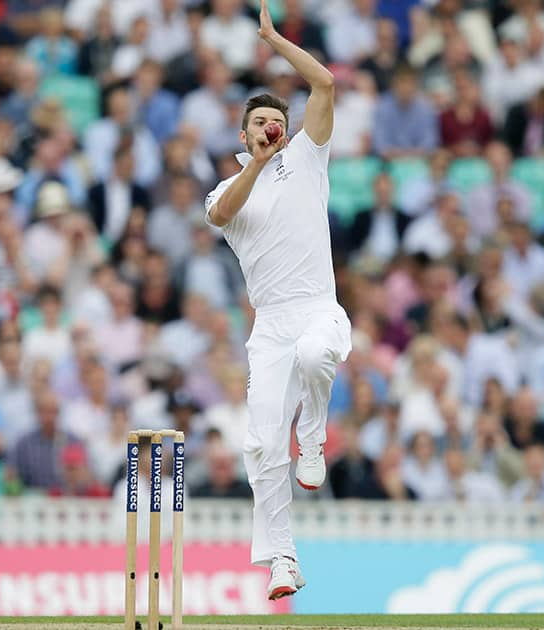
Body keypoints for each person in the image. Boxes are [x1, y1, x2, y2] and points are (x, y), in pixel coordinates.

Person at [204, 1, 351, 601]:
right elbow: (220, 215)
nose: (267, 129)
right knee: (262, 444)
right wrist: (256, 167)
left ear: (284, 130)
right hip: (269, 327)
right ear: (243, 136)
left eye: (274, 122)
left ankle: (312, 437)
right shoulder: (230, 184)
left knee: (320, 354)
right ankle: (281, 560)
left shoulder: (307, 157)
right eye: (257, 123)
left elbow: (325, 82)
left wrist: (272, 39)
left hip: (318, 306)